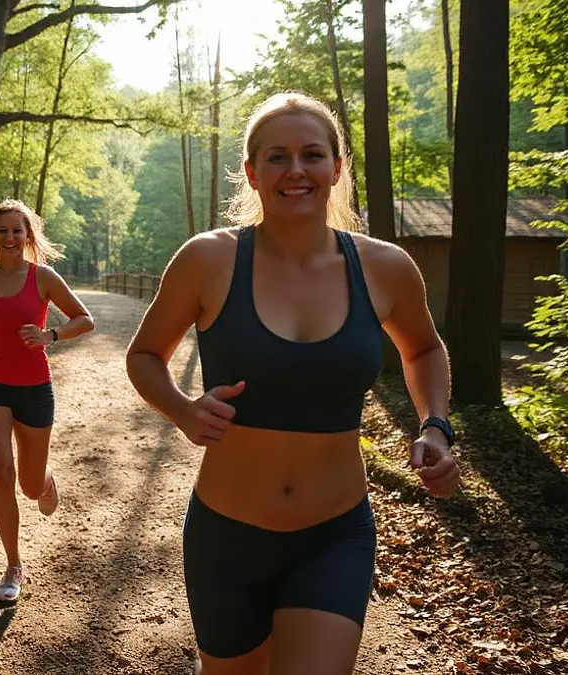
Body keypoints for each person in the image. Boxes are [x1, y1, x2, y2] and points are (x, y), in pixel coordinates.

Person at [125, 91, 461, 674]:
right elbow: (146, 356)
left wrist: (435, 424)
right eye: (277, 157)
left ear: (335, 167)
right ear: (252, 174)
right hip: (226, 535)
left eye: (311, 154)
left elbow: (425, 348)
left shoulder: (385, 267)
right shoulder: (209, 259)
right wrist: (182, 409)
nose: (296, 170)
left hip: (334, 535)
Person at [0, 198, 95, 604]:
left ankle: (45, 479)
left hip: (34, 386)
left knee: (29, 486)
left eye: (18, 229)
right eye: (3, 230)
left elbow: (84, 319)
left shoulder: (44, 277)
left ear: (28, 236)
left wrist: (50, 335)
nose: (10, 236)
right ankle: (14, 564)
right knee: (2, 471)